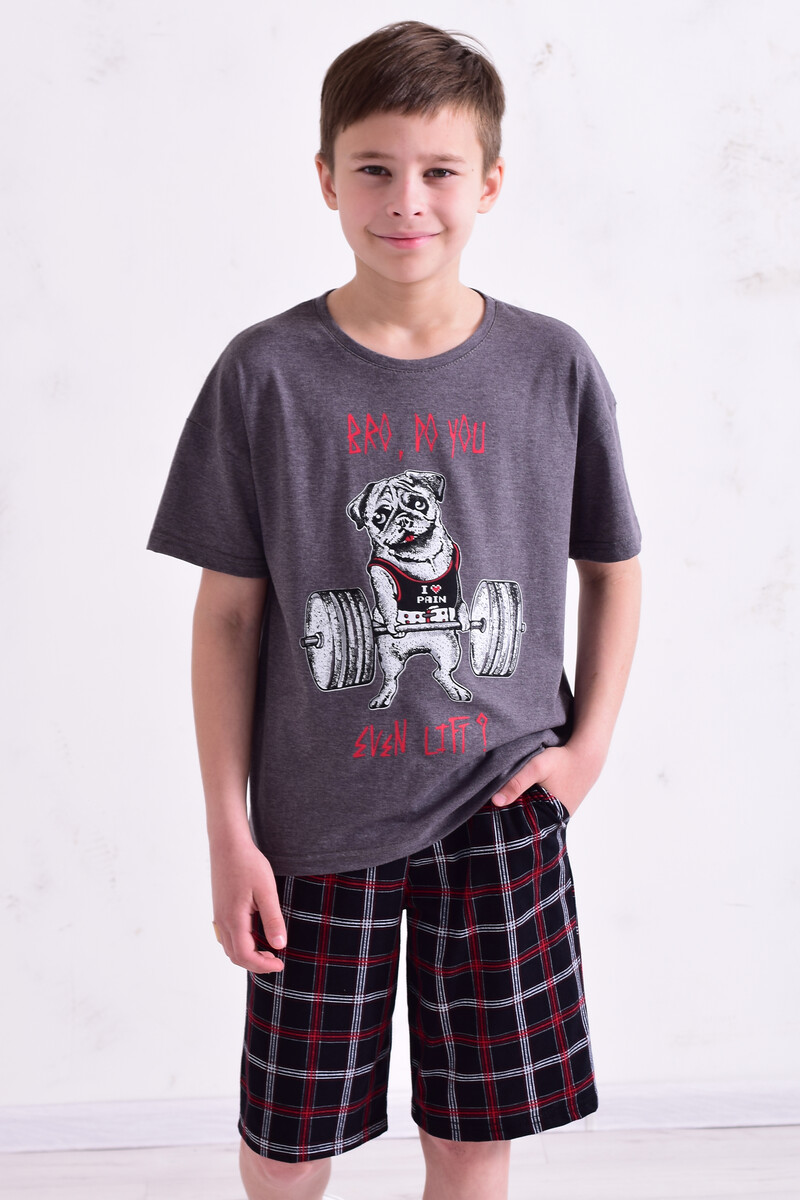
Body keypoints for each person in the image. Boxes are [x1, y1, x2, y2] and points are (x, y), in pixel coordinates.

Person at [147, 20, 642, 1200]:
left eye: (438, 171)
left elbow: (611, 567)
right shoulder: (265, 375)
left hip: (501, 806)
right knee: (291, 1137)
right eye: (373, 168)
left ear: (489, 183)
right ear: (326, 178)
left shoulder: (550, 366)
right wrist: (227, 828)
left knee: (473, 1137)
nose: (405, 200)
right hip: (317, 825)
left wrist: (584, 753)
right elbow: (228, 620)